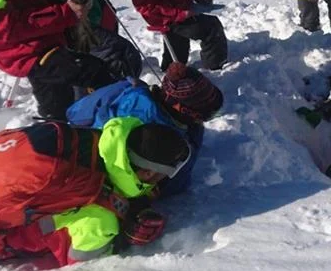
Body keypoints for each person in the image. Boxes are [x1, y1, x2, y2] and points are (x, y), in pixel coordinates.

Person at [0, 119, 191, 267]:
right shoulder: (95, 207)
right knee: (97, 222)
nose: (158, 184)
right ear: (144, 172)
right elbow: (86, 267)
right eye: (158, 176)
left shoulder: (96, 140)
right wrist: (122, 236)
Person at [66, 61, 223, 196]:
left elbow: (75, 112)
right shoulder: (161, 136)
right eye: (205, 116)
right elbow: (173, 185)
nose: (202, 121)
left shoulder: (130, 87)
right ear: (183, 110)